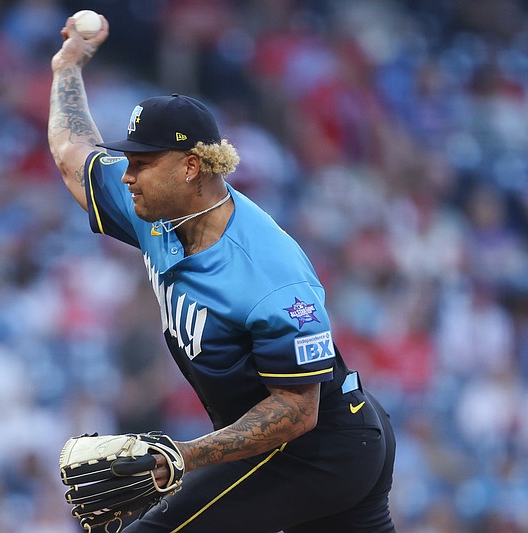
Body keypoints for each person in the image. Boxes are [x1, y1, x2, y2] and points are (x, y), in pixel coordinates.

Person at [48, 14, 396, 533]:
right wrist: (67, 67)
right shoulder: (159, 209)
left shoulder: (268, 274)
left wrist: (182, 456)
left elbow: (298, 412)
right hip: (313, 443)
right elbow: (72, 154)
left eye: (143, 161)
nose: (128, 174)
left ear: (191, 168)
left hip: (319, 449)